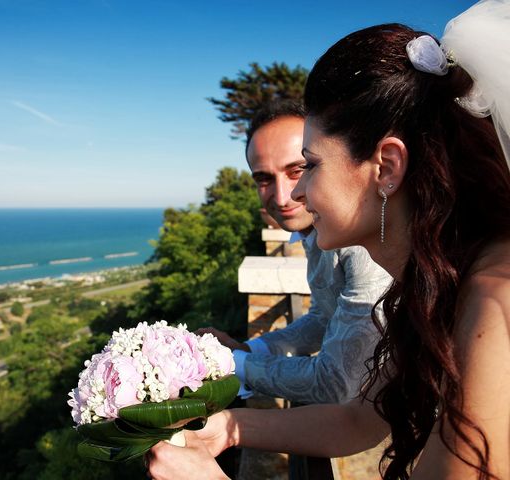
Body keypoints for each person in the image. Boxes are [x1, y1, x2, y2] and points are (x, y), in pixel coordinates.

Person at [148, 2, 510, 479]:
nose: (294, 192)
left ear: (386, 167)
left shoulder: (493, 302)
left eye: (310, 165)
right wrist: (229, 429)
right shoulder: (431, 282)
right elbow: (357, 419)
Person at [199, 100, 392, 404]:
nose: (282, 196)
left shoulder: (363, 246)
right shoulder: (315, 231)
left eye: (299, 169)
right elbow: (322, 317)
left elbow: (337, 383)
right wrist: (250, 350)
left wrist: (230, 365)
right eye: (263, 178)